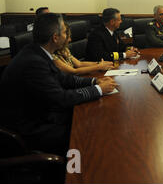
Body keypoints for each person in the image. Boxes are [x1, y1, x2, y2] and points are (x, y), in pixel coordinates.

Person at [0, 13, 117, 156]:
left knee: (94, 118)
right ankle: (79, 174)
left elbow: (65, 79)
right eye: (64, 32)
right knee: (88, 134)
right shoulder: (33, 62)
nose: (67, 35)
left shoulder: (38, 51)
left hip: (43, 114)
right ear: (55, 38)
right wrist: (98, 89)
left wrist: (94, 81)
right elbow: (61, 99)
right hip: (31, 129)